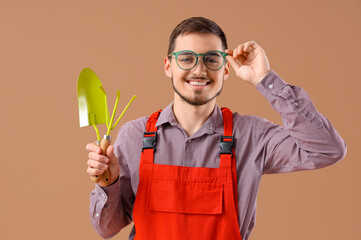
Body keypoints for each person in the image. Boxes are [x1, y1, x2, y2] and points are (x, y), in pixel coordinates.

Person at [85, 17, 346, 240]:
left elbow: (327, 150)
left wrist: (265, 79)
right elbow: (107, 228)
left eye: (211, 59)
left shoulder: (251, 136)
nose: (199, 70)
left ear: (226, 69)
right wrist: (109, 183)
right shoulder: (135, 135)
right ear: (168, 66)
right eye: (186, 58)